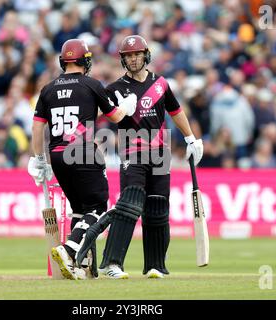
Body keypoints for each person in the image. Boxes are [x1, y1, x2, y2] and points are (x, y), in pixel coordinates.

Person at [76, 35, 203, 279]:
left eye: (137, 54)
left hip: (160, 153)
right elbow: (99, 117)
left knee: (157, 208)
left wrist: (190, 138)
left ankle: (155, 265)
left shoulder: (161, 85)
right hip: (132, 152)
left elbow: (176, 112)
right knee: (129, 205)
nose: (133, 59)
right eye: (128, 56)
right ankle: (112, 264)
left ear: (146, 55)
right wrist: (122, 108)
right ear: (123, 60)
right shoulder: (114, 89)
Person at [28, 38, 137, 280]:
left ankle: (80, 264)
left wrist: (39, 159)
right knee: (98, 208)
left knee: (80, 210)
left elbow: (37, 129)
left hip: (57, 156)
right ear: (85, 61)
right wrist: (127, 106)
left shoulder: (47, 89)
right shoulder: (91, 85)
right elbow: (116, 117)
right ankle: (68, 250)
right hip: (82, 152)